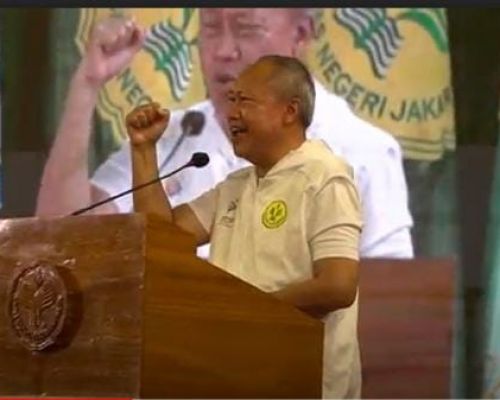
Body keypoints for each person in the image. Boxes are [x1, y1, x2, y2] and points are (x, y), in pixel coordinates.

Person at [36, 8, 413, 259]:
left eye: (246, 29)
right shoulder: (168, 139)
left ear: (300, 36)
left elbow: (390, 302)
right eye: (211, 28)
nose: (223, 51)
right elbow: (61, 236)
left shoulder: (362, 151)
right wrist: (87, 84)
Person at [127, 55, 363, 398]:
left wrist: (243, 314)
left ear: (289, 111)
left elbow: (338, 287)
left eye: (244, 101)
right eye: (230, 100)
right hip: (235, 378)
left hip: (301, 384)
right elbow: (160, 237)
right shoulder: (236, 186)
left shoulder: (324, 175)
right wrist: (143, 150)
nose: (231, 113)